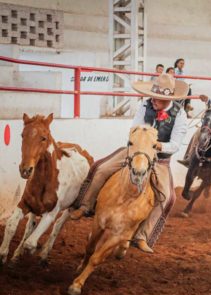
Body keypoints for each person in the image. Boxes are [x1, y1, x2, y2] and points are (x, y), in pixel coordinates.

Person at [70, 74, 189, 253]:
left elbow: (175, 144)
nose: (154, 100)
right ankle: (86, 205)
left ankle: (142, 235)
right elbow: (134, 128)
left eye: (159, 99)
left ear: (168, 100)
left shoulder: (180, 114)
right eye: (154, 96)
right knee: (101, 169)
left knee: (168, 197)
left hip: (159, 159)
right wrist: (141, 142)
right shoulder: (144, 105)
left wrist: (157, 145)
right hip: (135, 152)